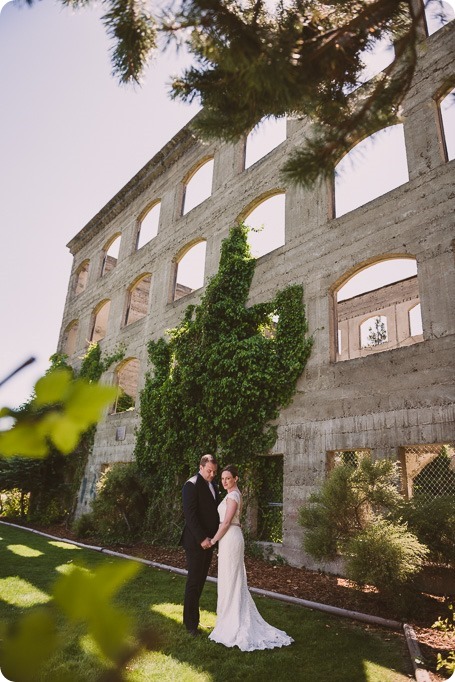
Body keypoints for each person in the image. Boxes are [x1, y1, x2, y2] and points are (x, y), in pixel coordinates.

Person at [208, 464, 293, 651]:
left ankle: (233, 622)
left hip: (230, 536)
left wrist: (213, 540)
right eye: (222, 479)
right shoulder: (233, 494)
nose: (224, 482)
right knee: (229, 578)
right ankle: (227, 619)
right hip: (229, 537)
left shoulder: (233, 496)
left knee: (232, 578)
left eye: (228, 478)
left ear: (236, 478)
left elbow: (227, 522)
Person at [180, 453, 220, 636]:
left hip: (210, 543)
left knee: (201, 581)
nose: (212, 474)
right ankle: (190, 625)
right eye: (209, 471)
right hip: (196, 542)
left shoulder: (212, 485)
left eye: (214, 472)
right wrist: (202, 538)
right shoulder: (191, 485)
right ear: (201, 467)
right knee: (194, 582)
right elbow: (190, 516)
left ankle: (193, 621)